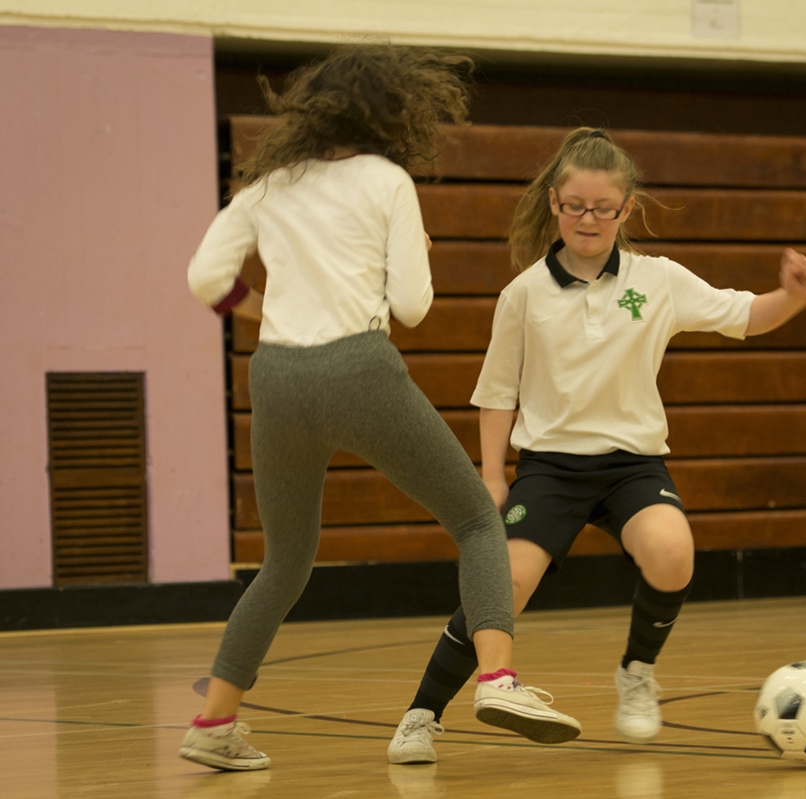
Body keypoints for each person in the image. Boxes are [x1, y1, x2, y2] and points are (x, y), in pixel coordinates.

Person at [181, 45, 580, 772]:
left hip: (276, 377)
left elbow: (205, 276)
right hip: (359, 369)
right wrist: (414, 253)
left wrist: (262, 307)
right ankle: (496, 678)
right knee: (475, 518)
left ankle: (214, 720)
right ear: (390, 111)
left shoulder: (270, 184)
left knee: (284, 563)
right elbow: (412, 307)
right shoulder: (388, 180)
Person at [387, 126, 806, 763]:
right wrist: (491, 475)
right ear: (554, 205)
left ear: (626, 209)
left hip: (632, 467)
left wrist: (793, 295)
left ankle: (637, 673)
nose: (587, 219)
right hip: (549, 470)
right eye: (574, 206)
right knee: (499, 585)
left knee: (673, 553)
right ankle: (422, 715)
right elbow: (496, 393)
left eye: (603, 208)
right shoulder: (523, 294)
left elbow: (746, 315)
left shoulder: (659, 280)